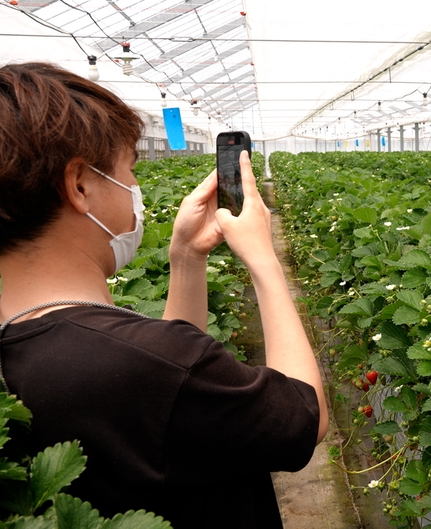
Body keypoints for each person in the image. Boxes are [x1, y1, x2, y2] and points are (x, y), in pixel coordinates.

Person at [0, 62, 327, 527]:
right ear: (79, 186)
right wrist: (265, 262)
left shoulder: (29, 339)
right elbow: (304, 416)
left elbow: (165, 386)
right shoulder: (136, 364)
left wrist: (187, 258)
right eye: (129, 171)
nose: (135, 188)